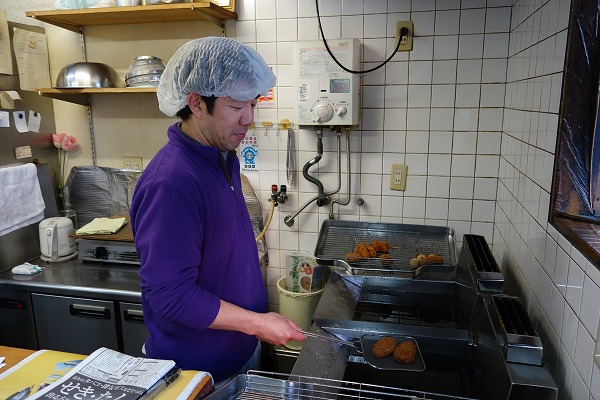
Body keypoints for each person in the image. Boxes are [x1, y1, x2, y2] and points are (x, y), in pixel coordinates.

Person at [129, 37, 306, 383]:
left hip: (236, 355)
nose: (249, 119)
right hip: (196, 374)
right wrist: (258, 323)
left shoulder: (223, 157)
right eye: (237, 106)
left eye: (253, 105)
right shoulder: (172, 182)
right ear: (196, 102)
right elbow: (171, 295)